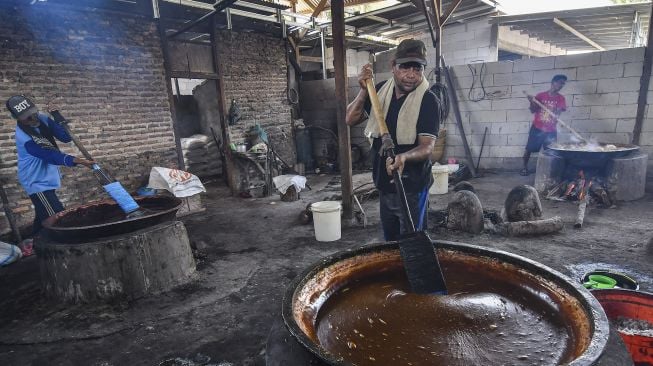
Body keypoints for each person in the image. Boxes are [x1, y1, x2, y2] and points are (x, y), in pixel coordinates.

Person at [345, 39, 440, 241]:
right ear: (393, 66)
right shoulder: (379, 91)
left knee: (413, 240)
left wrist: (404, 157)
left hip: (412, 187)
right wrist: (363, 89)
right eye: (405, 67)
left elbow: (427, 146)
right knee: (391, 242)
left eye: (418, 68)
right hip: (384, 183)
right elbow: (350, 118)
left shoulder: (428, 100)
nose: (411, 75)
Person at [6, 95, 94, 235]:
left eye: (31, 113)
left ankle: (34, 240)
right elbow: (50, 155)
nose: (30, 118)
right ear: (16, 118)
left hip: (47, 176)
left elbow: (65, 137)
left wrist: (57, 115)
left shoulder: (43, 119)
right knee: (58, 217)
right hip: (36, 181)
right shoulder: (23, 137)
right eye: (25, 116)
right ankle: (68, 245)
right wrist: (79, 161)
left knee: (44, 214)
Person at [521, 74, 567, 176]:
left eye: (563, 84)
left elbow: (559, 111)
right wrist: (531, 102)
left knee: (552, 152)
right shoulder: (540, 96)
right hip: (537, 128)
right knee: (529, 149)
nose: (561, 85)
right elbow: (533, 110)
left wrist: (555, 114)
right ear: (553, 82)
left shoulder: (561, 99)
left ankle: (549, 172)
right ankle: (524, 167)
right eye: (560, 82)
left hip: (550, 130)